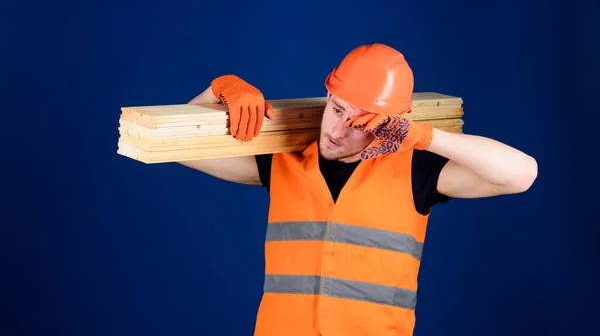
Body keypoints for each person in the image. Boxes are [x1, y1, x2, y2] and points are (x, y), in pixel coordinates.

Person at [180, 43, 538, 336]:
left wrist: (425, 137)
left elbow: (520, 174)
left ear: (390, 123)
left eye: (359, 123)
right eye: (337, 110)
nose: (337, 131)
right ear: (327, 94)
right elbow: (178, 147)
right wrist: (219, 88)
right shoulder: (281, 162)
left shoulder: (415, 170)